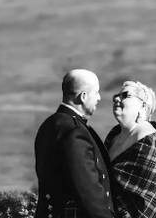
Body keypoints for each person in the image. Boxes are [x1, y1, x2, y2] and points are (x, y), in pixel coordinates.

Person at [35, 69, 115, 218]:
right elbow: (88, 192)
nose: (99, 98)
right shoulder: (74, 131)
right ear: (83, 96)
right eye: (96, 92)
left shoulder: (50, 124)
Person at [104, 81, 156, 218]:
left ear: (143, 106)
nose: (117, 98)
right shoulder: (113, 136)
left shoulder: (150, 141)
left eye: (125, 95)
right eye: (116, 96)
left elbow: (149, 197)